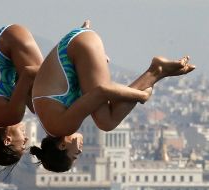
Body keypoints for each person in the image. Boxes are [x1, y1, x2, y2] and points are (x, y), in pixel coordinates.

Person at [30, 20, 195, 172]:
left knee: (106, 122)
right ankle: (156, 72)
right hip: (78, 44)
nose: (80, 150)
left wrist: (140, 97)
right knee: (104, 119)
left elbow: (102, 90)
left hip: (81, 47)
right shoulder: (49, 123)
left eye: (75, 155)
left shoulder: (63, 127)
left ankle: (155, 72)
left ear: (61, 147)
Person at [0, 24, 44, 166]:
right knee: (37, 105)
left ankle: (75, 49)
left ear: (7, 140)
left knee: (46, 92)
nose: (26, 140)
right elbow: (20, 82)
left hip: (11, 40)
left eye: (22, 145)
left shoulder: (10, 117)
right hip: (4, 40)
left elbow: (29, 73)